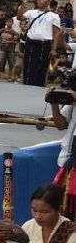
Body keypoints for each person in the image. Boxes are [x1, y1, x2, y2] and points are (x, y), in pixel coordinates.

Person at [23, 0, 62, 87]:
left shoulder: (54, 16)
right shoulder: (31, 12)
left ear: (48, 1)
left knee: (41, 68)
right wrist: (22, 5)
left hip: (44, 45)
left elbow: (56, 33)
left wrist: (53, 49)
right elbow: (20, 17)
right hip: (30, 43)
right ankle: (26, 87)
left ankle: (38, 89)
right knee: (28, 67)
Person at [50, 89, 76, 220]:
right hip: (66, 164)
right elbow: (60, 125)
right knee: (61, 212)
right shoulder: (73, 99)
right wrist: (53, 103)